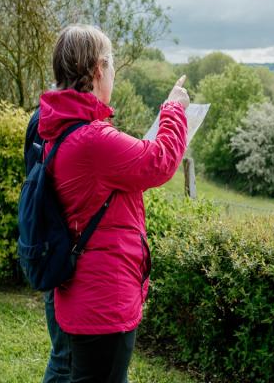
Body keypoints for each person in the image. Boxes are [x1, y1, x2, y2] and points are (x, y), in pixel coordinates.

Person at [28, 24, 188, 382]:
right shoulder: (92, 140)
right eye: (112, 63)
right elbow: (160, 160)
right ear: (99, 69)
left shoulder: (58, 127)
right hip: (102, 300)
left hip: (82, 294)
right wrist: (174, 109)